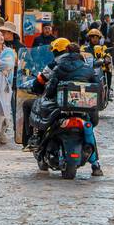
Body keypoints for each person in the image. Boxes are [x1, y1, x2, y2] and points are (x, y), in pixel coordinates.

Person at [34, 41, 104, 176]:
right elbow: (98, 88)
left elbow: (50, 87)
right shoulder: (88, 69)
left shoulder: (58, 67)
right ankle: (95, 165)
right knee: (90, 130)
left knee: (43, 117)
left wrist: (48, 95)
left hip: (62, 109)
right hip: (85, 109)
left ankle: (39, 145)